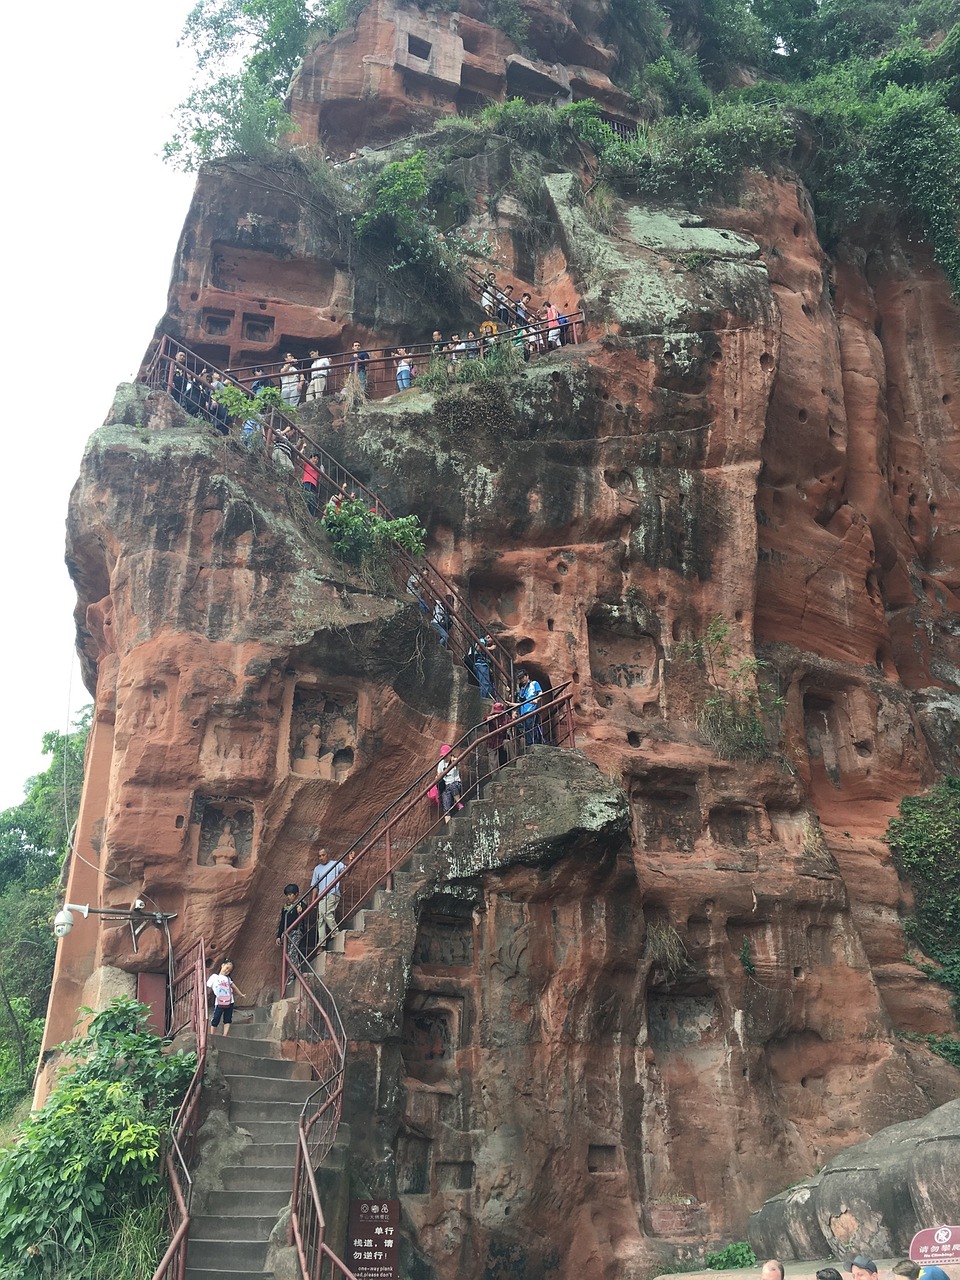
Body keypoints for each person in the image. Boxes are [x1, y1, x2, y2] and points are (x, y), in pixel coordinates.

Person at [311, 847, 347, 948]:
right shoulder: (317, 869)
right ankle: (321, 944)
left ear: (328, 855)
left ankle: (336, 932)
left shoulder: (336, 864)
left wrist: (351, 860)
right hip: (321, 897)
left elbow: (346, 871)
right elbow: (315, 886)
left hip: (332, 893)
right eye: (319, 856)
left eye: (323, 855)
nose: (321, 857)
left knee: (326, 913)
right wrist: (313, 900)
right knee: (321, 920)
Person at [206, 960, 246, 1037]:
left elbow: (234, 987)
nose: (227, 970)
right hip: (219, 1001)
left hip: (230, 1001)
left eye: (229, 970)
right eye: (227, 968)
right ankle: (212, 1036)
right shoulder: (214, 977)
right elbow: (207, 986)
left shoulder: (228, 979)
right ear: (222, 965)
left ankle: (225, 1035)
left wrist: (241, 994)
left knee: (228, 1018)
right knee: (216, 1018)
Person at [276, 882, 306, 975]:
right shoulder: (285, 907)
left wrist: (301, 911)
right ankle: (292, 975)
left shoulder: (301, 904)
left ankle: (297, 974)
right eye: (287, 895)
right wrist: (278, 936)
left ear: (296, 894)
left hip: (296, 931)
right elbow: (282, 922)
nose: (288, 897)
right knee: (289, 954)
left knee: (292, 952)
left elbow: (304, 915)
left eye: (290, 894)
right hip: (287, 933)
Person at [514, 667, 543, 746]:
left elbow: (540, 693)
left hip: (532, 710)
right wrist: (511, 704)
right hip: (524, 712)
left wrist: (536, 700)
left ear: (527, 676)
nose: (522, 679)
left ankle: (535, 744)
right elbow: (521, 702)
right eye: (520, 678)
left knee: (531, 727)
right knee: (526, 729)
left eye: (523, 677)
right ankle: (530, 745)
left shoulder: (534, 683)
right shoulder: (522, 689)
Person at [437, 745, 463, 823]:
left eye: (446, 755)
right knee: (445, 804)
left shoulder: (454, 760)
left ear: (450, 754)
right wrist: (440, 774)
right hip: (446, 786)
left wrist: (454, 760)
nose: (444, 757)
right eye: (443, 756)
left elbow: (458, 762)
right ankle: (448, 825)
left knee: (452, 786)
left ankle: (458, 803)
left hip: (456, 784)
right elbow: (438, 775)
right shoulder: (441, 763)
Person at [483, 701, 511, 776]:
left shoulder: (505, 717)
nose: (497, 714)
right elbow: (485, 720)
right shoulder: (491, 716)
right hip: (492, 741)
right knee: (493, 760)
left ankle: (513, 762)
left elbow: (511, 722)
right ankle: (495, 777)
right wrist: (489, 718)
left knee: (508, 743)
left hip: (502, 739)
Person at [469, 635, 496, 699]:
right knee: (484, 684)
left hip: (484, 665)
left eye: (491, 638)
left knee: (489, 686)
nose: (489, 640)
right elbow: (478, 648)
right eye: (488, 637)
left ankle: (485, 698)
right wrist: (490, 648)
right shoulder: (482, 640)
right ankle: (483, 700)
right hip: (480, 665)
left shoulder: (486, 643)